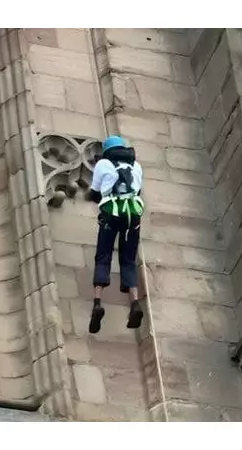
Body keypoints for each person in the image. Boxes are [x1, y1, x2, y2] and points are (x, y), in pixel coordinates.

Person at [87, 135, 145, 334]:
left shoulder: (103, 164)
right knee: (128, 260)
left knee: (103, 256)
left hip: (111, 214)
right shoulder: (136, 166)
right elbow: (137, 191)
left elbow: (95, 192)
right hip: (132, 217)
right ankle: (135, 303)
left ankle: (97, 303)